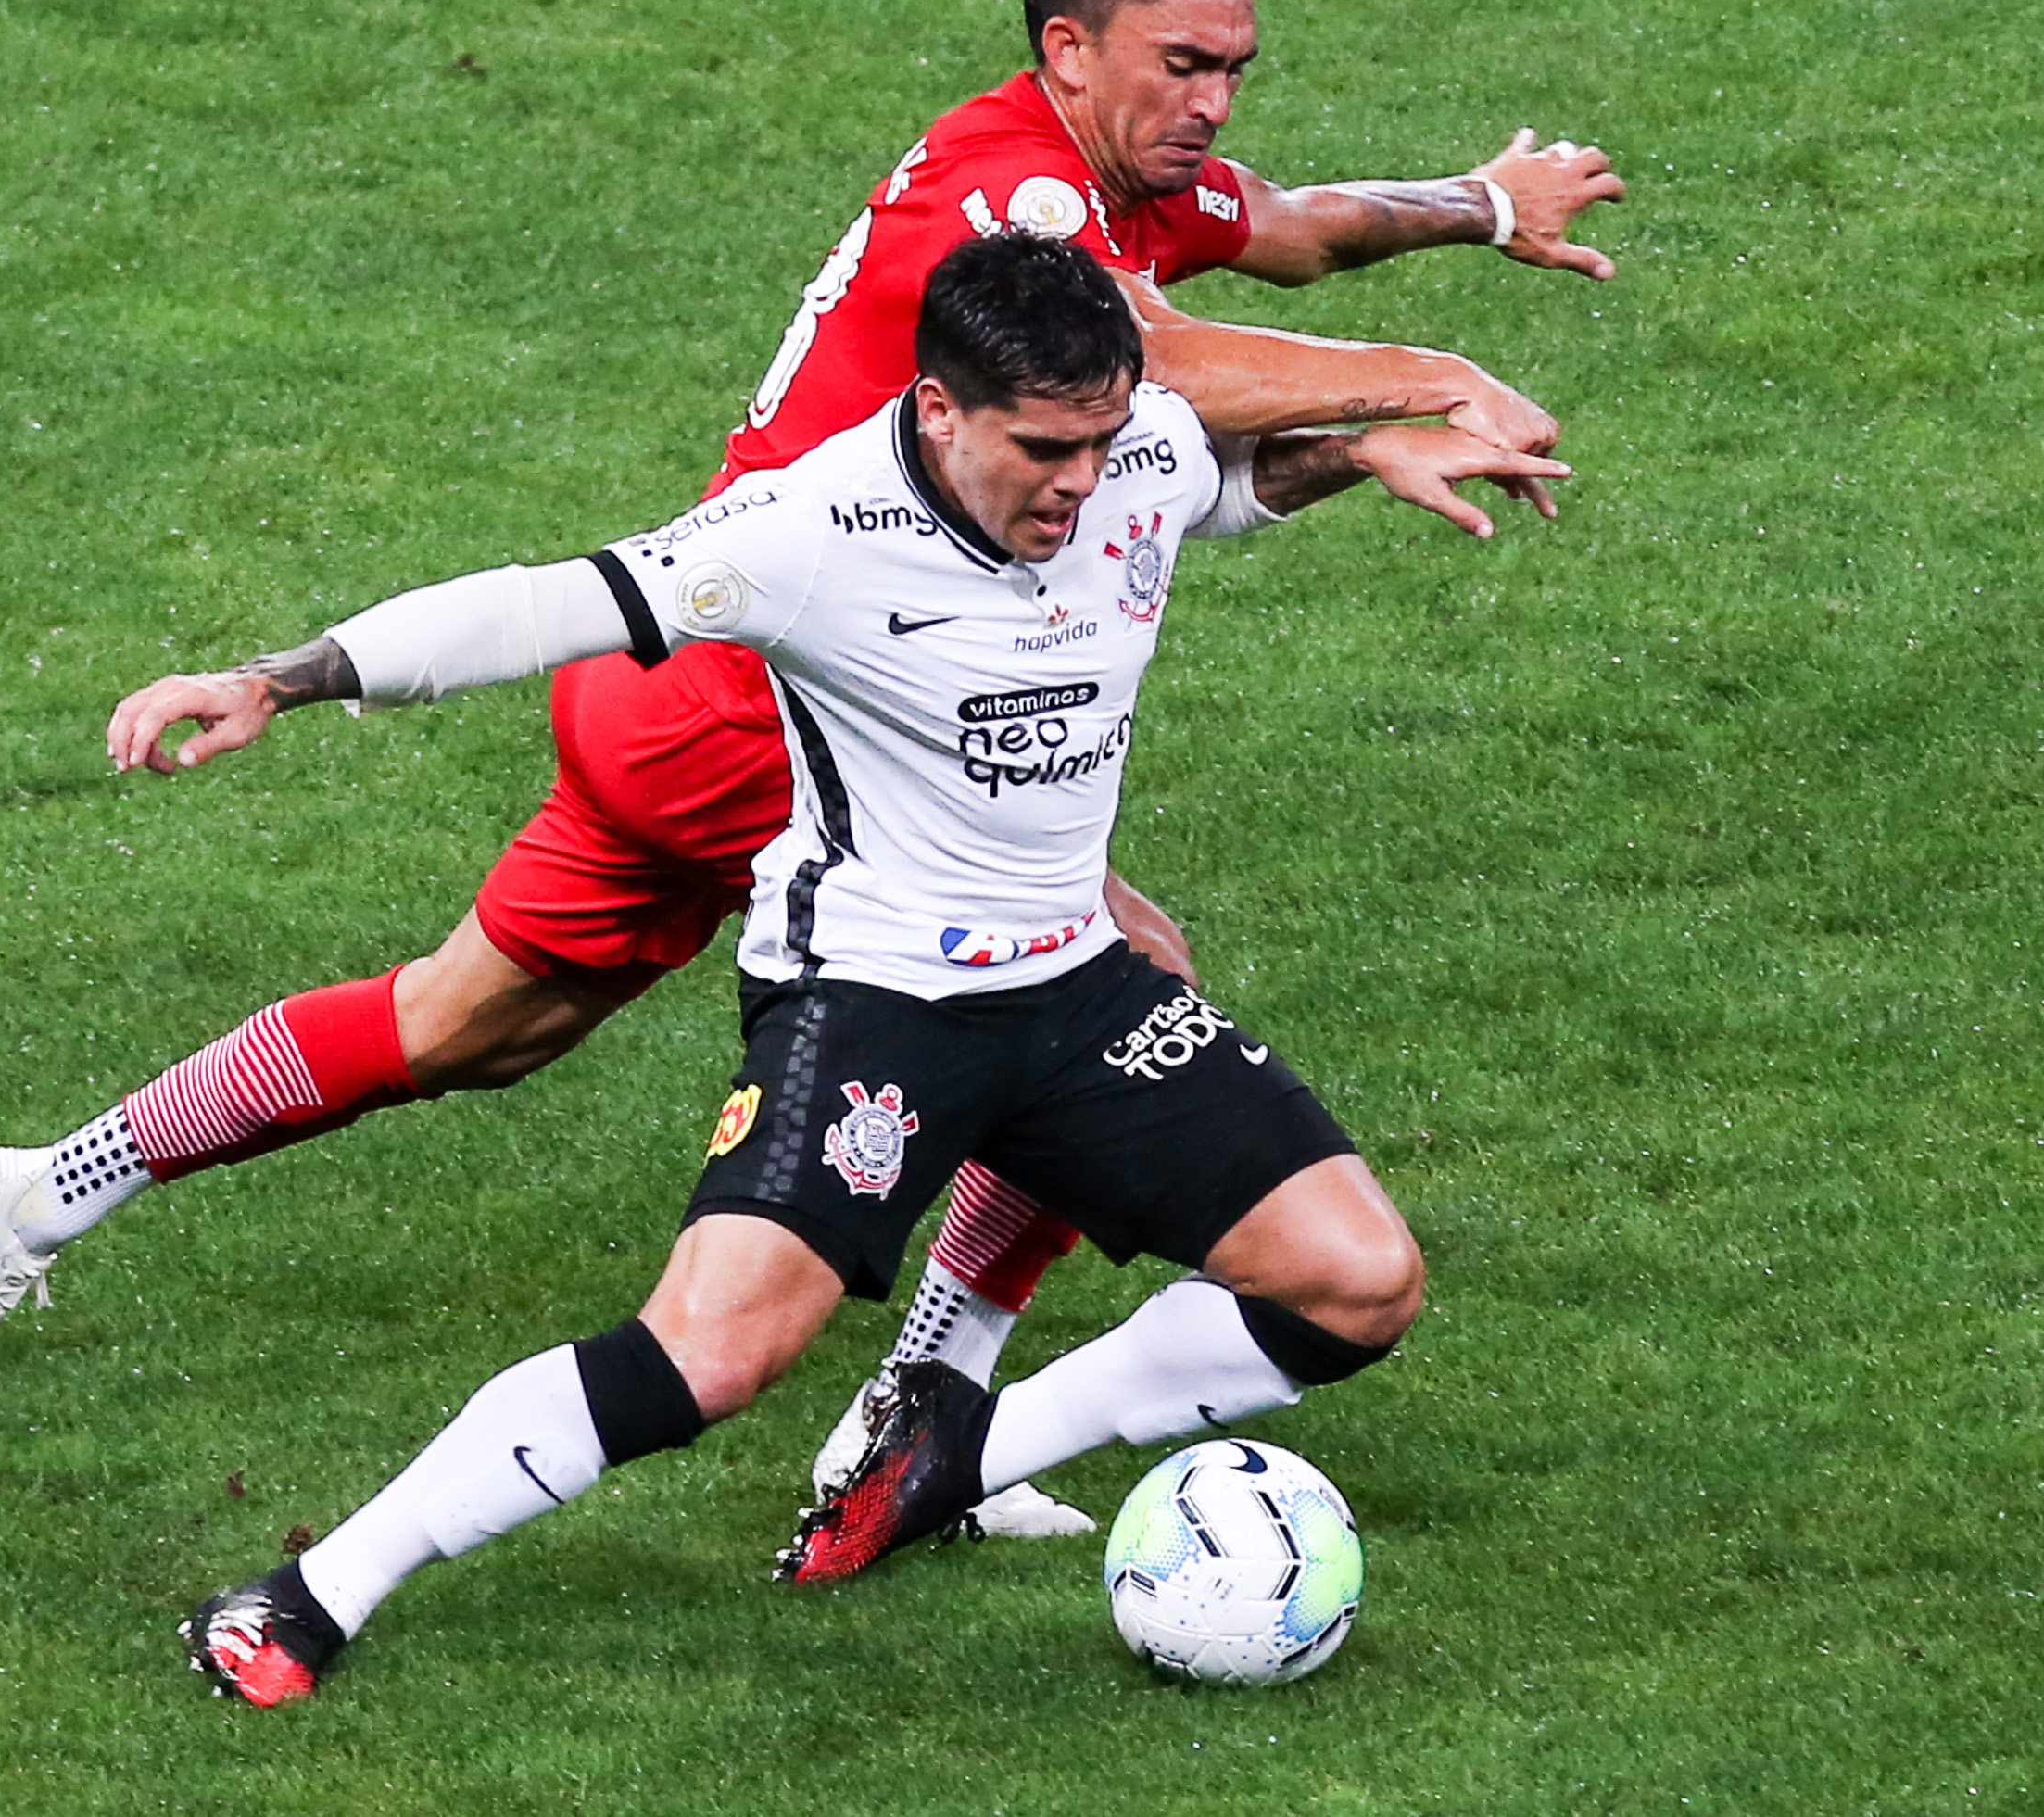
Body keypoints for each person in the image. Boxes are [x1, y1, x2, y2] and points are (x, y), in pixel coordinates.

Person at [0, 0, 1618, 1532]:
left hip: (678, 687)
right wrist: (1437, 379)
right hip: (775, 700)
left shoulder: (1112, 177)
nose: (1214, 100)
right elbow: (1155, 360)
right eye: (1185, 65)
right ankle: (923, 1425)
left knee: (468, 1023)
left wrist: (1477, 203)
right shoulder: (1015, 205)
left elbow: (1303, 232)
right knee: (1102, 977)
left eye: (1235, 66)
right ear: (1070, 51)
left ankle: (34, 1189)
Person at [168, 233, 1567, 1705]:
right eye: (1045, 450)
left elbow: (1211, 488)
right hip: (879, 998)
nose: (1082, 482)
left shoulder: (1125, 444)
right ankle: (309, 1592)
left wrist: (1361, 455)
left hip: (1078, 987)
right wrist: (274, 676)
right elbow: (531, 609)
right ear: (944, 410)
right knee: (709, 1353)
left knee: (1358, 1282)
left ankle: (952, 1447)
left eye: (1100, 440)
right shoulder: (807, 530)